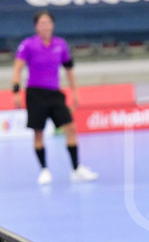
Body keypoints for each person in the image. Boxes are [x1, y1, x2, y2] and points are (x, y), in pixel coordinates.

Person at [10, 10, 98, 185]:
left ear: (53, 25)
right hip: (35, 93)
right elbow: (18, 68)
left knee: (71, 127)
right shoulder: (28, 45)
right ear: (36, 26)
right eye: (42, 23)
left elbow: (69, 69)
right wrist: (16, 92)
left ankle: (76, 169)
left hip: (55, 93)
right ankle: (44, 170)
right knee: (38, 132)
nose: (45, 26)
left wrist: (75, 92)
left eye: (48, 22)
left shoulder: (61, 44)